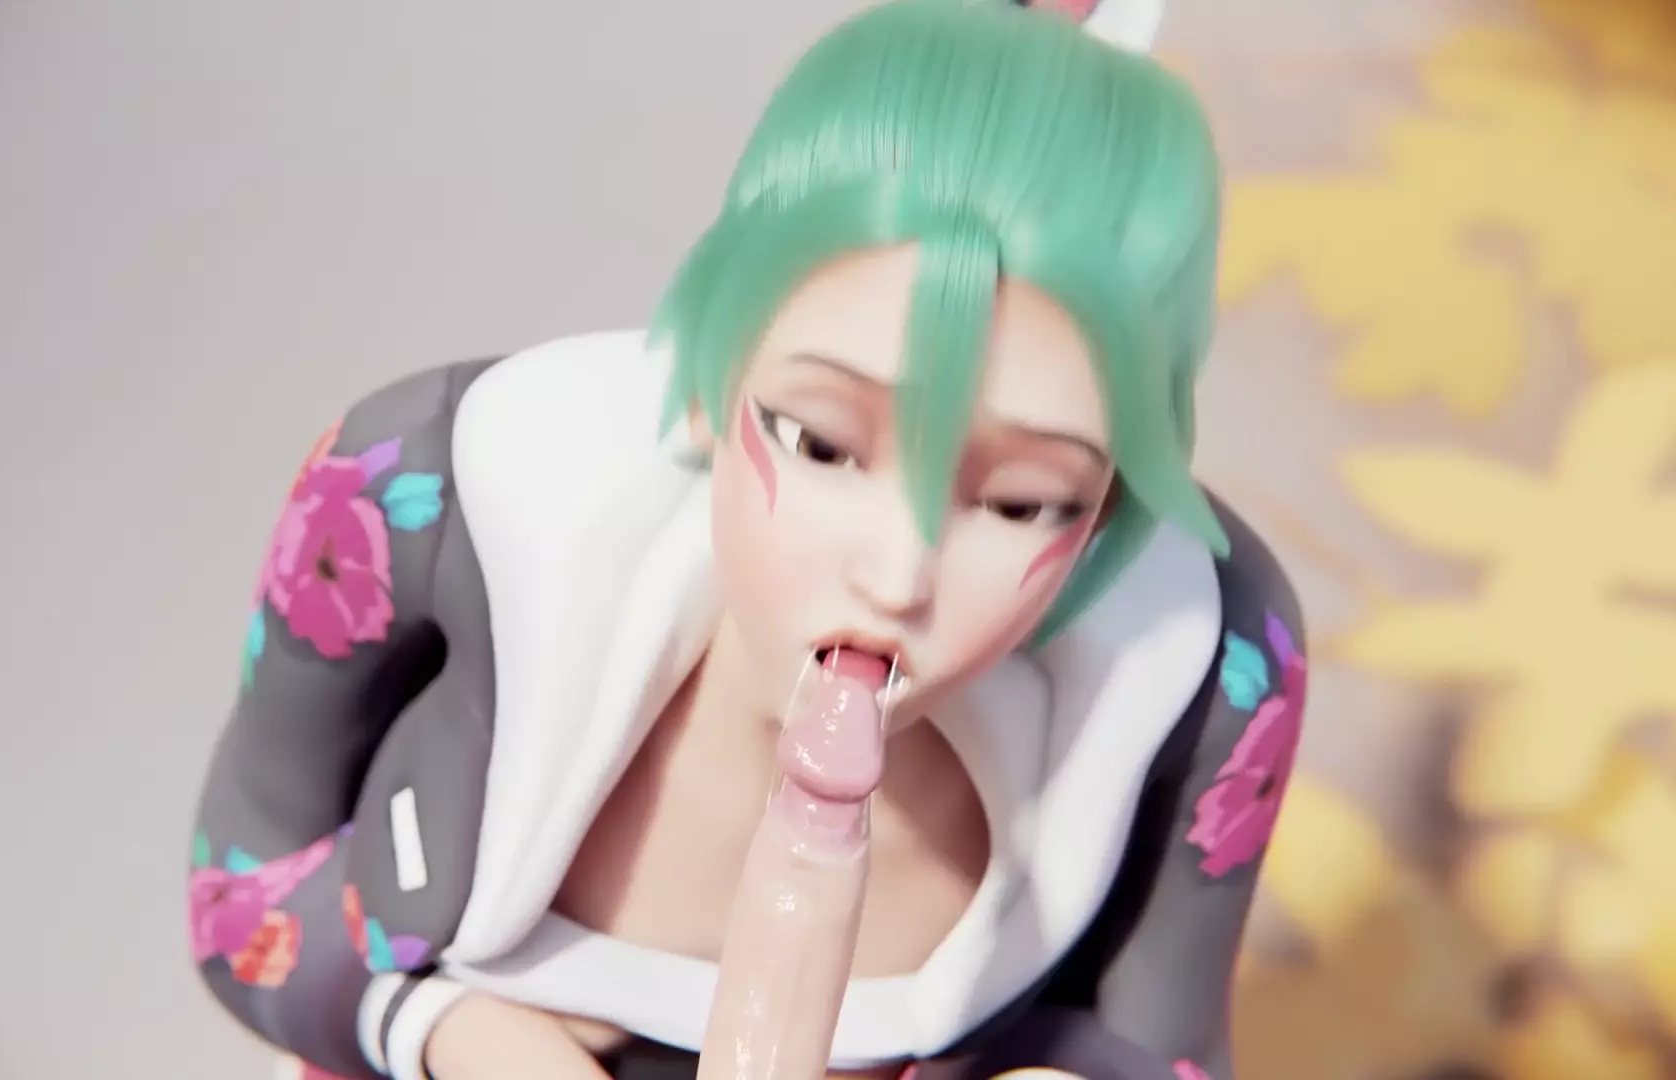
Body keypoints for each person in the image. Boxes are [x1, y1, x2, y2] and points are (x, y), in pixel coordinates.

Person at [184, 2, 1308, 1078]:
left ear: (1109, 505)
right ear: (712, 375)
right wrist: (451, 1032)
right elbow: (238, 898)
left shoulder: (1210, 668)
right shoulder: (426, 490)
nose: (896, 577)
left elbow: (1170, 1050)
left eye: (1023, 502)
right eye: (821, 443)